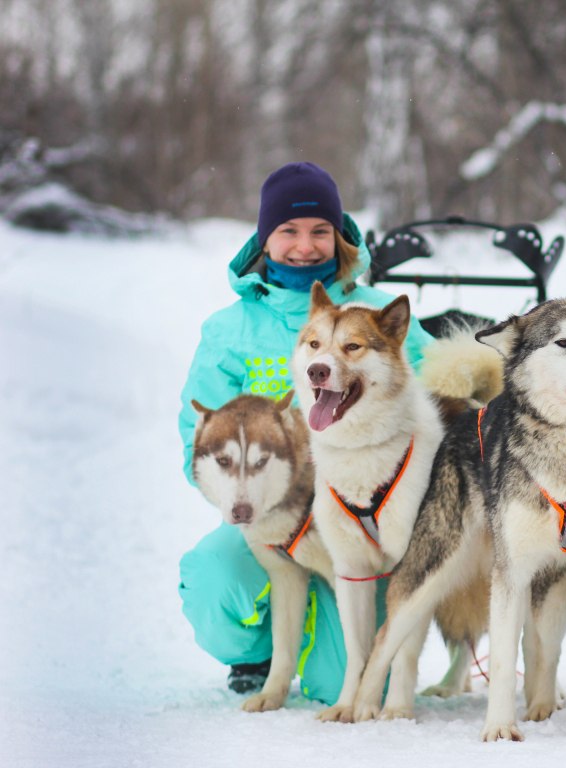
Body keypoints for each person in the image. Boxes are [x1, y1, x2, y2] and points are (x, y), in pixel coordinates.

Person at [177, 161, 435, 703]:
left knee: (352, 683)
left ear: (339, 237)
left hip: (358, 518)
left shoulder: (371, 317)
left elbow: (441, 382)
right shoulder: (231, 331)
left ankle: (322, 647)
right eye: (288, 231)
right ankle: (262, 650)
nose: (304, 245)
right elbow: (196, 445)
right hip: (275, 519)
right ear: (264, 238)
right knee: (214, 579)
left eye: (320, 230)